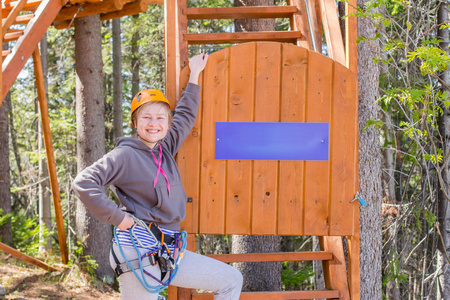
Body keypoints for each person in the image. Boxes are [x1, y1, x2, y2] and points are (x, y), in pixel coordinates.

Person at [72, 53, 243, 300]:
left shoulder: (165, 148)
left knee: (230, 280)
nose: (154, 124)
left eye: (160, 118)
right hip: (137, 250)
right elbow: (83, 183)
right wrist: (118, 218)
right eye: (146, 117)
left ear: (167, 122)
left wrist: (195, 73)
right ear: (135, 121)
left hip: (169, 250)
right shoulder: (125, 155)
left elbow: (185, 117)